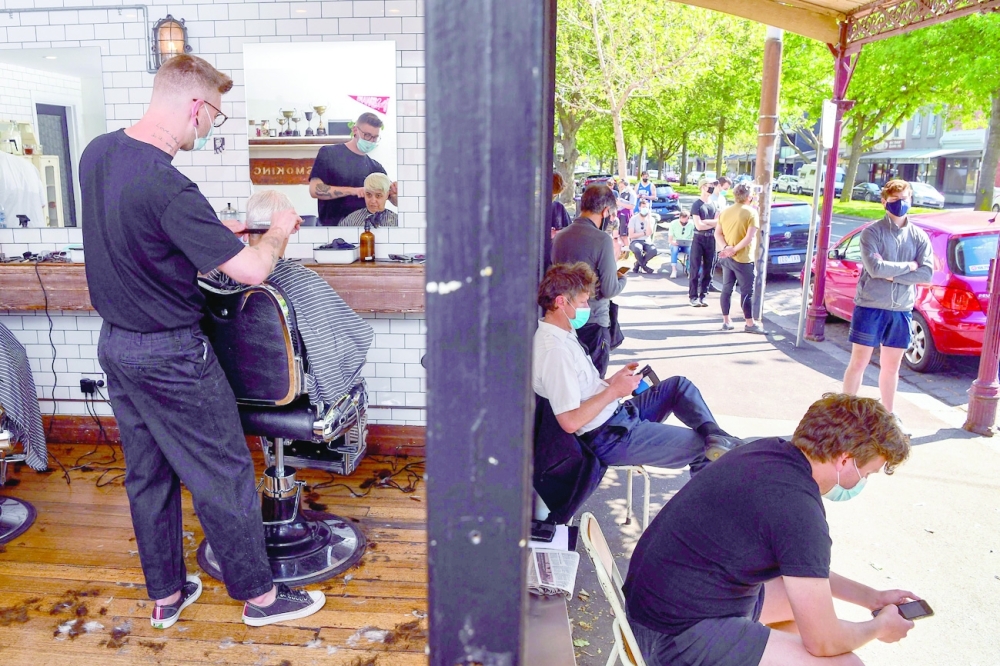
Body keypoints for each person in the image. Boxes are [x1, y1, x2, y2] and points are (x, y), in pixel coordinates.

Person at [80, 54, 325, 630]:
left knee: (148, 474)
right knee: (224, 471)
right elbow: (251, 274)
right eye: (213, 114)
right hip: (171, 355)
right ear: (195, 105)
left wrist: (216, 237)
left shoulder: (97, 153)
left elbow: (140, 236)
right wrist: (279, 234)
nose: (211, 126)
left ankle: (166, 595)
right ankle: (262, 599)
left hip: (116, 346)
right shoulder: (169, 184)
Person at [623, 393, 916, 666]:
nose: (862, 481)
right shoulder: (799, 509)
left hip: (651, 609)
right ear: (844, 459)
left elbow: (805, 571)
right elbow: (824, 642)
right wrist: (879, 627)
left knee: (799, 607)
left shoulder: (767, 452)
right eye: (866, 473)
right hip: (673, 639)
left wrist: (872, 599)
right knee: (845, 663)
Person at [533, 262, 742, 472]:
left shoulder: (564, 334)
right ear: (561, 302)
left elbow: (580, 389)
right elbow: (569, 421)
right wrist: (614, 391)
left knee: (679, 386)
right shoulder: (555, 351)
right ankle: (709, 479)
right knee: (703, 450)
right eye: (583, 302)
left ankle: (718, 437)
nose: (588, 308)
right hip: (607, 436)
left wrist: (612, 383)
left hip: (616, 416)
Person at [208, 190, 374, 408]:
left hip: (229, 388)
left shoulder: (216, 278)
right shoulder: (303, 282)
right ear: (286, 233)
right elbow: (350, 342)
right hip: (288, 392)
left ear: (247, 232)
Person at [842, 180, 932, 423]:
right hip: (870, 306)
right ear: (884, 202)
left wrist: (890, 273)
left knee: (892, 367)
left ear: (911, 200)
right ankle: (844, 412)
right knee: (859, 361)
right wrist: (908, 267)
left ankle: (888, 415)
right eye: (894, 201)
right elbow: (874, 268)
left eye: (904, 199)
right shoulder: (872, 232)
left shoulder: (919, 236)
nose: (900, 205)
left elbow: (927, 273)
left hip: (901, 309)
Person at [552, 185, 626, 377]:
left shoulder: (560, 237)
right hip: (593, 322)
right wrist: (622, 277)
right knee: (593, 384)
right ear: (605, 211)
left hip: (563, 320)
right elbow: (610, 289)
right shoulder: (602, 240)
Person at [309, 111, 397, 226]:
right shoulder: (329, 154)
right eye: (367, 135)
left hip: (365, 231)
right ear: (355, 130)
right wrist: (353, 191)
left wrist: (396, 193)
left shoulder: (376, 167)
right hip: (332, 231)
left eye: (375, 137)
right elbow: (315, 189)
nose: (370, 141)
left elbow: (393, 200)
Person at [715, 181, 765, 334]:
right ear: (749, 196)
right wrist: (734, 249)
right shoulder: (751, 213)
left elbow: (717, 233)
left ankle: (726, 320)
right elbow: (749, 238)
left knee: (726, 288)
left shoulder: (725, 211)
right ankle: (749, 323)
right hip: (743, 258)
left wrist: (726, 248)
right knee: (746, 291)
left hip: (726, 257)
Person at [688, 178, 720, 307]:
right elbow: (699, 226)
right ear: (702, 187)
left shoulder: (714, 204)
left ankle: (704, 295)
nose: (711, 188)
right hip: (698, 238)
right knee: (695, 268)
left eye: (712, 185)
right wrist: (710, 223)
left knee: (709, 269)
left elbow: (719, 222)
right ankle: (693, 296)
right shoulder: (697, 205)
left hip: (711, 239)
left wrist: (706, 222)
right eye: (709, 185)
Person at [544, 172, 574, 272]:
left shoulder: (559, 208)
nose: (552, 198)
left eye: (555, 195)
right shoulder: (532, 208)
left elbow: (570, 232)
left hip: (554, 260)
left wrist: (559, 233)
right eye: (552, 195)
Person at [628, 199, 658, 274]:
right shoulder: (633, 219)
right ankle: (644, 267)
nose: (645, 209)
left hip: (646, 241)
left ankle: (637, 264)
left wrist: (648, 220)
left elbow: (649, 233)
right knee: (637, 249)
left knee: (653, 250)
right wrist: (643, 233)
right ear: (639, 208)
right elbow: (631, 235)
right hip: (635, 241)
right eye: (643, 207)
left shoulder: (651, 219)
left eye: (646, 207)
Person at [667, 210, 694, 279]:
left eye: (686, 220)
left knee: (692, 250)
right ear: (680, 217)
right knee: (675, 249)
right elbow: (670, 239)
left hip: (687, 245)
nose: (684, 222)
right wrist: (673, 242)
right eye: (683, 220)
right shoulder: (673, 223)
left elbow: (693, 237)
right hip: (675, 244)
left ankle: (689, 270)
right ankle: (674, 270)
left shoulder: (691, 224)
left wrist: (691, 241)